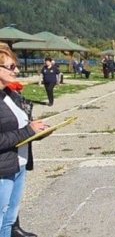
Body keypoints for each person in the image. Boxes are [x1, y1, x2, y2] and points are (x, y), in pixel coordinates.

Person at [0, 47, 49, 237]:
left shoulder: (10, 95)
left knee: (8, 221)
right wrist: (28, 131)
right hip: (3, 170)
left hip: (18, 164)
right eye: (11, 66)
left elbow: (21, 126)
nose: (17, 71)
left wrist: (37, 131)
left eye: (17, 66)